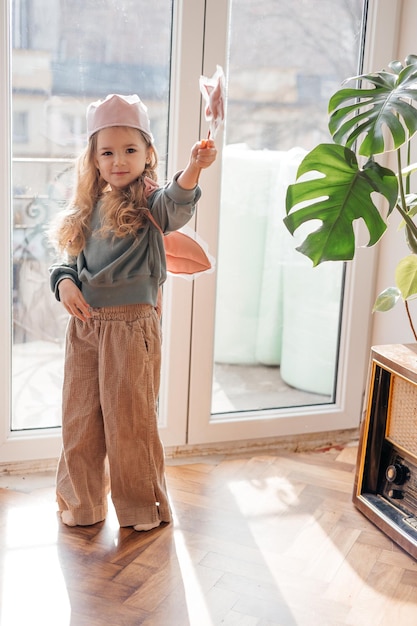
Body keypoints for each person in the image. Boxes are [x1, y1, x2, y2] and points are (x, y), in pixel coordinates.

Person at [49, 93, 217, 531]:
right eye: (107, 152)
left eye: (130, 150)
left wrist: (195, 167)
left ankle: (141, 506)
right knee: (80, 420)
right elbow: (68, 262)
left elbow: (176, 204)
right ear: (94, 159)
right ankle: (81, 503)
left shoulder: (149, 203)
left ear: (147, 154)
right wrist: (65, 283)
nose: (119, 160)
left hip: (130, 325)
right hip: (85, 327)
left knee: (130, 421)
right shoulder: (86, 208)